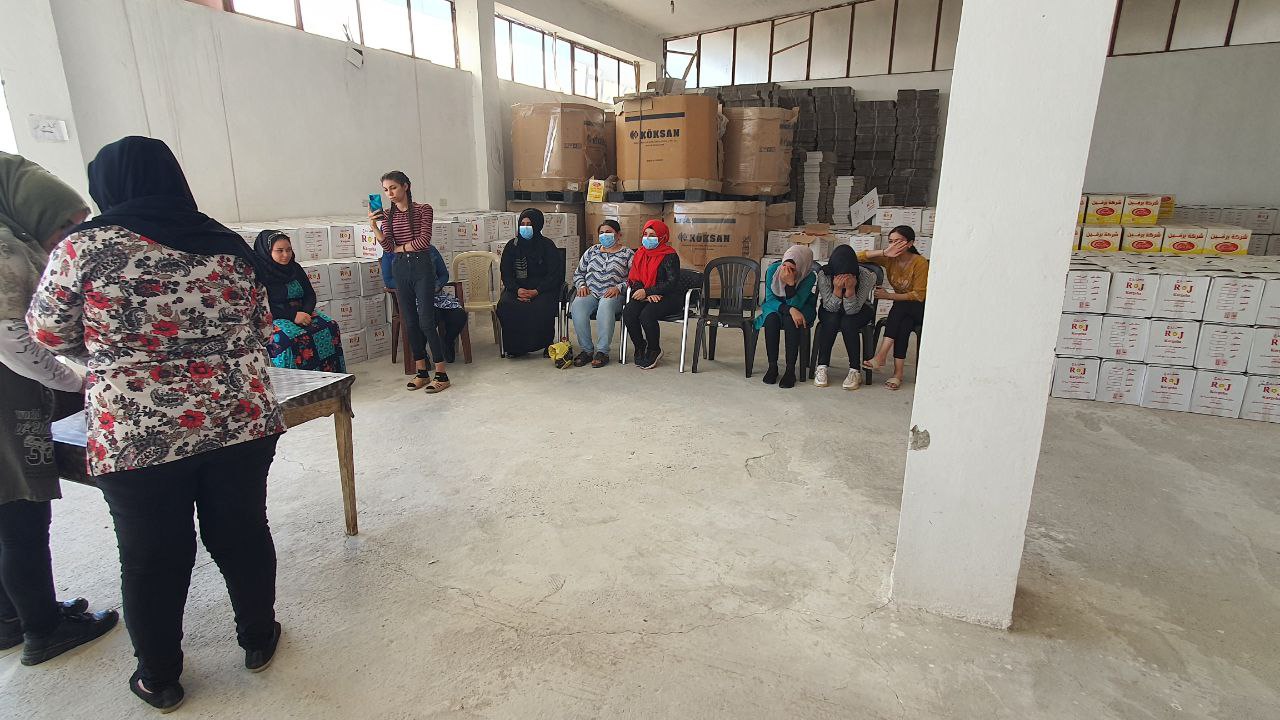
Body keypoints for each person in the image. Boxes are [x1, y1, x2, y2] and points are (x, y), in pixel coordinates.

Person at [28, 137, 287, 712]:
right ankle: (258, 637)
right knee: (243, 532)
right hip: (239, 419)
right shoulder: (226, 244)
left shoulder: (85, 248)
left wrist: (112, 354)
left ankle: (160, 676)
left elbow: (47, 332)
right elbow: (261, 326)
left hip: (138, 432)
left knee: (152, 555)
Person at [0, 152, 119, 667]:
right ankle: (43, 630)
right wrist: (77, 379)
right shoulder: (6, 250)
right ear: (33, 209)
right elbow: (13, 339)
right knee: (21, 513)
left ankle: (13, 617)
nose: (71, 236)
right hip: (8, 406)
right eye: (66, 224)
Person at [368, 171, 449, 393]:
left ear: (406, 186)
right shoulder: (387, 215)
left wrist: (400, 247)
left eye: (393, 187)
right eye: (386, 190)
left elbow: (423, 241)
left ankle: (441, 373)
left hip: (422, 267)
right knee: (409, 321)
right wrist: (375, 227)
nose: (390, 193)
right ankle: (421, 370)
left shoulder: (424, 209)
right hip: (400, 268)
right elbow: (388, 247)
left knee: (426, 321)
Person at [255, 231, 346, 373]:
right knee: (286, 340)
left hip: (302, 312)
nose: (286, 255)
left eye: (289, 250)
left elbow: (310, 294)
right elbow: (262, 305)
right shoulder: (258, 273)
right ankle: (294, 382)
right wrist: (293, 316)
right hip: (275, 316)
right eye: (279, 251)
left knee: (330, 326)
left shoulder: (295, 268)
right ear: (267, 251)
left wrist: (305, 312)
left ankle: (331, 377)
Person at [858, 225, 929, 390]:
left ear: (910, 243)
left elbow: (918, 295)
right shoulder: (889, 258)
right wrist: (884, 252)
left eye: (898, 241)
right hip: (902, 311)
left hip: (920, 308)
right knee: (903, 325)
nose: (894, 245)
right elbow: (856, 256)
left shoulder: (920, 262)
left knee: (900, 307)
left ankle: (881, 355)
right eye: (891, 241)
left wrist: (888, 296)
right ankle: (897, 374)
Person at [379, 245, 468, 363]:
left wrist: (437, 286)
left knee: (459, 315)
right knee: (429, 316)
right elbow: (389, 281)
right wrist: (415, 286)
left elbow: (444, 275)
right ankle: (421, 353)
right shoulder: (390, 254)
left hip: (436, 296)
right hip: (412, 299)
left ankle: (447, 342)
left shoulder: (430, 249)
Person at [497, 209, 563, 357]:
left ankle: (545, 344)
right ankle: (515, 347)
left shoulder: (547, 246)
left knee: (541, 306)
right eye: (523, 224)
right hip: (517, 288)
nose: (525, 227)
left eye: (529, 224)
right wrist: (517, 290)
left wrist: (536, 291)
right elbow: (506, 273)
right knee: (506, 304)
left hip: (543, 289)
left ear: (538, 225)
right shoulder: (512, 246)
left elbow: (554, 275)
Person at [569, 220, 634, 368]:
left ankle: (602, 351)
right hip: (591, 292)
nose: (605, 235)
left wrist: (619, 287)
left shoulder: (628, 254)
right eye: (602, 233)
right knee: (578, 305)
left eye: (609, 232)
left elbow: (635, 279)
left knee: (605, 305)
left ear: (619, 235)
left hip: (614, 295)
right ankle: (586, 350)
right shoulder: (592, 251)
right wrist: (581, 285)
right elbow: (579, 273)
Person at [812, 244, 877, 390]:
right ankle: (822, 366)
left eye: (848, 275)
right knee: (831, 320)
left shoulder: (866, 276)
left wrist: (850, 290)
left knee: (848, 322)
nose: (843, 278)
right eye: (839, 275)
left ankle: (855, 370)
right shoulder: (825, 274)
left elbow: (852, 310)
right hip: (830, 307)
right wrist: (836, 289)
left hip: (859, 308)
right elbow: (830, 307)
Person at [754, 244, 817, 389]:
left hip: (801, 307)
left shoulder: (809, 277)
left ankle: (790, 370)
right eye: (784, 266)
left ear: (802, 268)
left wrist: (790, 284)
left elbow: (797, 303)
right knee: (771, 319)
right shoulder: (772, 271)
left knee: (791, 321)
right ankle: (772, 366)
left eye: (793, 269)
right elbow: (770, 299)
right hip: (775, 306)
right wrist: (789, 309)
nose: (786, 272)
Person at [622, 220, 682, 370]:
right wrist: (645, 293)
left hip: (669, 296)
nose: (648, 238)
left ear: (662, 237)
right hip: (646, 293)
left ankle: (654, 349)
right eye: (646, 234)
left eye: (653, 235)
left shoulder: (670, 255)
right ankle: (640, 345)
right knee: (629, 312)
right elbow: (634, 278)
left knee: (646, 315)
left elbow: (671, 283)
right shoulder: (640, 253)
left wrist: (649, 291)